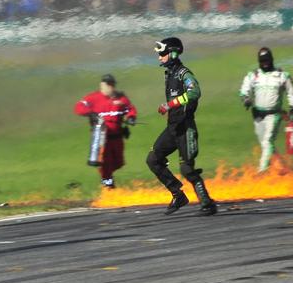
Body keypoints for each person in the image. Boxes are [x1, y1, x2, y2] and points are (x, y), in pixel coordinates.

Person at [148, 37, 217, 215]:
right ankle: (178, 194)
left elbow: (195, 92)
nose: (160, 57)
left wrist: (169, 105)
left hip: (185, 129)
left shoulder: (184, 73)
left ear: (173, 53)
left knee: (186, 169)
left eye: (162, 54)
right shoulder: (169, 74)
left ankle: (207, 204)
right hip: (172, 129)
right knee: (153, 159)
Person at [238, 47, 293, 172]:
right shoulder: (253, 75)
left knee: (268, 141)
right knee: (267, 145)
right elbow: (244, 90)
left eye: (267, 60)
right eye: (262, 60)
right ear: (259, 61)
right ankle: (283, 168)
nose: (265, 63)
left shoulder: (282, 76)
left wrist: (292, 108)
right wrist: (246, 99)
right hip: (258, 116)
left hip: (274, 114)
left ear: (271, 60)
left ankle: (262, 172)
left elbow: (291, 94)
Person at [74, 74, 138, 188]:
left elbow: (130, 109)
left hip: (117, 137)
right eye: (107, 85)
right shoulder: (92, 98)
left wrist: (131, 118)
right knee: (105, 164)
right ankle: (108, 186)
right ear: (102, 85)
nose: (109, 87)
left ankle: (108, 179)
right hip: (102, 139)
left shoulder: (121, 98)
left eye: (111, 85)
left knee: (119, 163)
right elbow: (78, 107)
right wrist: (91, 114)